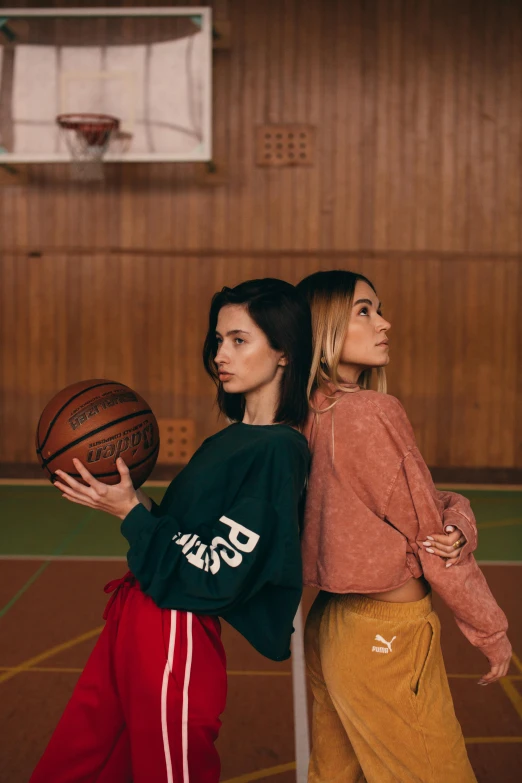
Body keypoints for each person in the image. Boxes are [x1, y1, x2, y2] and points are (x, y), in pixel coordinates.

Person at [30, 278, 312, 783]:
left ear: (284, 352)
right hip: (140, 610)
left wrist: (132, 516)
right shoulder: (233, 438)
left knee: (171, 770)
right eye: (218, 339)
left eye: (239, 340)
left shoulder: (276, 451)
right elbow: (191, 532)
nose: (221, 353)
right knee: (86, 760)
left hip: (176, 623)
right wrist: (129, 500)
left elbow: (217, 571)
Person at [296, 269, 511, 783]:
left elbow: (413, 509)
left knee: (334, 775)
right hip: (385, 637)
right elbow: (431, 538)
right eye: (364, 311)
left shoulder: (305, 414)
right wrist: (490, 628)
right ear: (322, 328)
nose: (384, 323)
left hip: (329, 624)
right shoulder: (372, 411)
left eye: (379, 309)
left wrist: (456, 515)